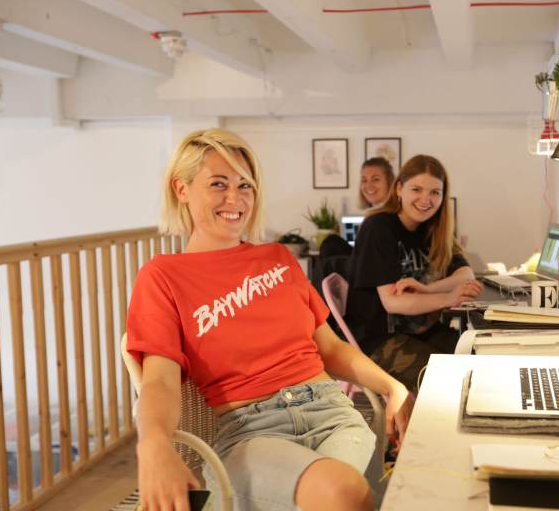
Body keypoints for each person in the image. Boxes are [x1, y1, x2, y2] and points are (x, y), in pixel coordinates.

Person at [126, 128, 413, 511]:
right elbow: (159, 381)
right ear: (182, 189)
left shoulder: (277, 259)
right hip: (251, 431)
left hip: (332, 414)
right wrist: (153, 443)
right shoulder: (163, 276)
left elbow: (330, 348)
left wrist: (393, 387)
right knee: (343, 493)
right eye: (218, 184)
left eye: (245, 185)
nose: (235, 198)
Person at [346, 154, 483, 390]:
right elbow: (393, 303)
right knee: (449, 383)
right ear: (399, 189)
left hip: (421, 331)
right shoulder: (378, 228)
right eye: (416, 189)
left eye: (435, 192)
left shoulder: (433, 229)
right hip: (378, 339)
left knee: (481, 363)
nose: (425, 200)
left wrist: (427, 289)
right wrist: (449, 297)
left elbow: (465, 275)